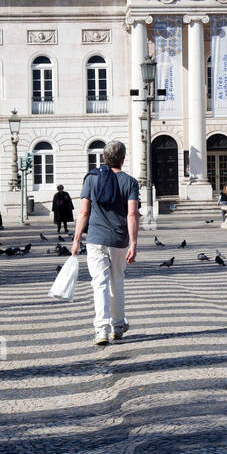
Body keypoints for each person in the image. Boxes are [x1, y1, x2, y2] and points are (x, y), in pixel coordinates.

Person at [71, 140, 139, 347]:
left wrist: (76, 240)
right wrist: (134, 243)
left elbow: (83, 212)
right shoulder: (130, 182)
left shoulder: (91, 179)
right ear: (123, 159)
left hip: (95, 240)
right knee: (117, 281)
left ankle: (101, 330)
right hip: (118, 240)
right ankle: (118, 326)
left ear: (103, 158)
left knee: (99, 283)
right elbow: (132, 214)